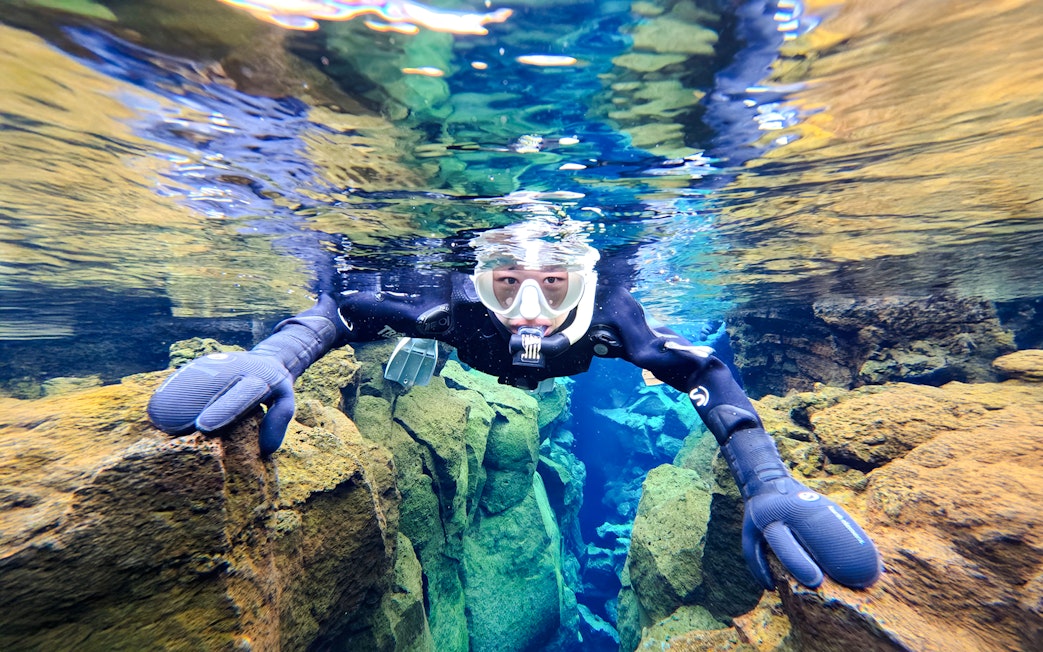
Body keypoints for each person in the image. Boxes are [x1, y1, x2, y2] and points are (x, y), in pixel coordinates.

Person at [148, 222, 881, 591]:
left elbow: (704, 372)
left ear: (585, 279)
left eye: (554, 283)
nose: (528, 307)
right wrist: (274, 357)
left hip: (473, 345)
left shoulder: (613, 318)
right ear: (479, 276)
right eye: (506, 284)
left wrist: (768, 482)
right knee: (413, 339)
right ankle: (423, 359)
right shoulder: (444, 304)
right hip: (449, 348)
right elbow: (339, 310)